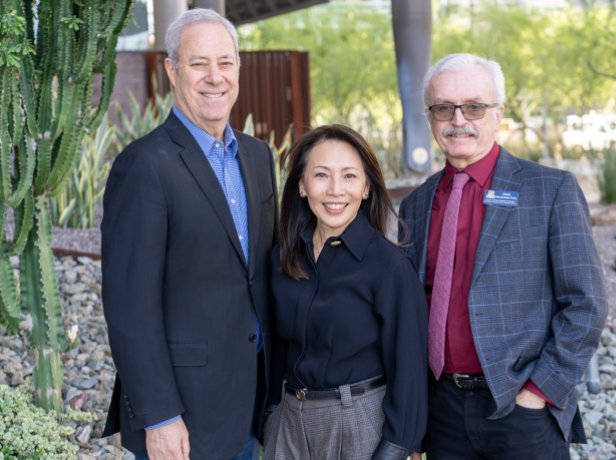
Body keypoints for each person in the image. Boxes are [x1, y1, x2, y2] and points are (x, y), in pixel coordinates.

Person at [398, 53, 608, 459]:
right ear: (430, 117)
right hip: (441, 413)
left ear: (498, 114)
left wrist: (540, 390)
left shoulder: (550, 191)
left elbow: (586, 303)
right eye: (444, 107)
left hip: (520, 410)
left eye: (473, 106)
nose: (458, 119)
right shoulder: (416, 205)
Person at [101, 8, 278, 460]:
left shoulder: (258, 158)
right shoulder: (144, 166)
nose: (214, 77)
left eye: (225, 62)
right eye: (199, 63)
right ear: (172, 70)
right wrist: (159, 416)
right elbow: (129, 308)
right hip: (183, 417)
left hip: (255, 405)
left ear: (239, 68)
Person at [263, 124, 428, 460]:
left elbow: (409, 369)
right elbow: (277, 349)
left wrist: (397, 447)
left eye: (349, 176)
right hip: (289, 422)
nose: (335, 190)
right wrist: (270, 416)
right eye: (321, 175)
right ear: (302, 185)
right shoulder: (282, 259)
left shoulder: (389, 267)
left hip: (358, 423)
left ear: (366, 188)